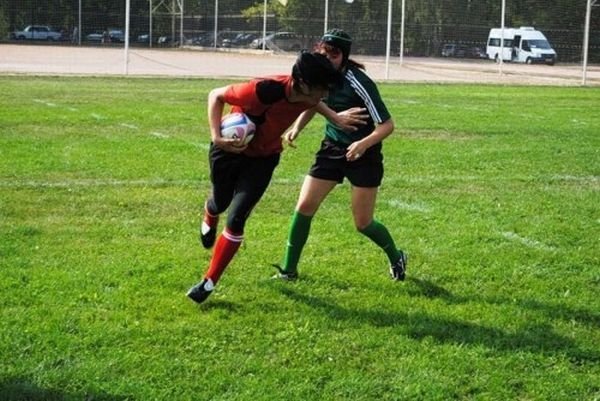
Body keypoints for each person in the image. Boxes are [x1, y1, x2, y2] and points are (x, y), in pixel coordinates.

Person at [187, 51, 354, 304]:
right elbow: (215, 95)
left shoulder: (309, 95)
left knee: (237, 216)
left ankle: (208, 282)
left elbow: (313, 103)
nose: (326, 95)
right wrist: (216, 137)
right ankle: (210, 212)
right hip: (230, 151)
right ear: (303, 84)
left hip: (264, 159)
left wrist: (335, 117)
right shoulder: (262, 90)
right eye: (322, 89)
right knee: (220, 201)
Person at [274, 29, 407, 282]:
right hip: (332, 149)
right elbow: (313, 102)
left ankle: (396, 256)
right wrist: (296, 129)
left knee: (363, 223)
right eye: (323, 51)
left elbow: (387, 126)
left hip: (364, 155)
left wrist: (362, 144)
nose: (327, 57)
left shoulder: (359, 82)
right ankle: (289, 270)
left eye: (334, 54)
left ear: (344, 56)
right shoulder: (320, 74)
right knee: (304, 207)